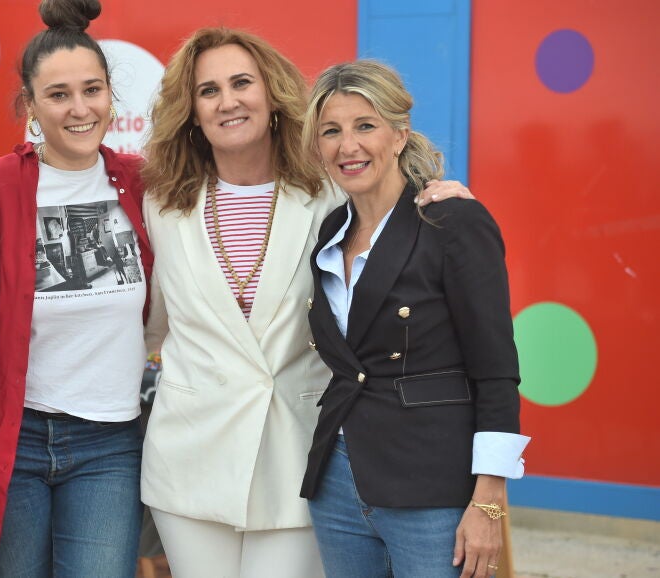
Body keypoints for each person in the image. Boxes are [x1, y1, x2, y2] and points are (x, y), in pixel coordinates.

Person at [139, 29, 471, 577]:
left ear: (272, 95)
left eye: (242, 83)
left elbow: (401, 220)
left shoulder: (332, 192)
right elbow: (150, 321)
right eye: (209, 90)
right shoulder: (160, 201)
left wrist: (440, 196)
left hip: (297, 452)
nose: (228, 101)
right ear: (191, 111)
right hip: (190, 457)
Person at [298, 60, 529, 578]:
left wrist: (489, 500)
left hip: (431, 487)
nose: (348, 146)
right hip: (336, 483)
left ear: (399, 135)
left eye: (365, 125)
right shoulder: (331, 233)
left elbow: (496, 370)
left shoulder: (452, 221)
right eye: (331, 131)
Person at [0, 0, 154, 575]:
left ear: (110, 95)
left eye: (92, 90)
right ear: (30, 105)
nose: (80, 109)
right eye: (58, 95)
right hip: (16, 437)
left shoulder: (143, 182)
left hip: (110, 440)